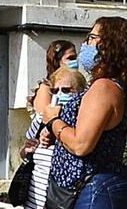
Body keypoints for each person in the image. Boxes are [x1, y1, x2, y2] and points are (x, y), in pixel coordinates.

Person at [38, 17, 127, 209]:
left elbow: (81, 145)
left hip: (93, 190)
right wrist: (58, 134)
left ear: (108, 46)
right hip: (94, 187)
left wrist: (54, 121)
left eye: (91, 38)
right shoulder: (113, 86)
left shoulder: (104, 88)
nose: (85, 45)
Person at [19, 67, 88, 209]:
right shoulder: (42, 118)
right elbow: (24, 153)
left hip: (63, 200)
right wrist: (27, 150)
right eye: (55, 91)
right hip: (33, 200)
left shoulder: (83, 122)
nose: (60, 95)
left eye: (66, 90)